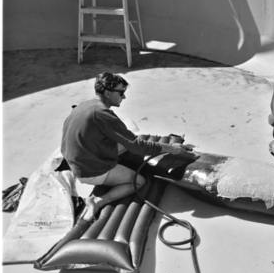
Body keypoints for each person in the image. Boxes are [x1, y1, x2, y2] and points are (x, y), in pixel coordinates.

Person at [61, 72, 194, 221]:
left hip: (76, 159)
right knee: (138, 182)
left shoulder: (86, 104)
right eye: (121, 93)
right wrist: (169, 148)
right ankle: (98, 201)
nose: (124, 97)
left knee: (126, 141)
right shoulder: (102, 113)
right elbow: (137, 146)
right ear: (107, 93)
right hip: (89, 171)